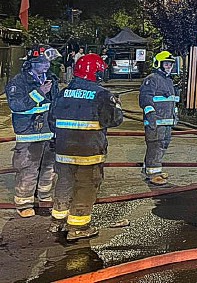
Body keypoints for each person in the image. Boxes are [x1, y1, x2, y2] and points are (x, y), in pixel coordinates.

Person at [48, 54, 123, 240]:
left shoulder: (63, 93)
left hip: (63, 150)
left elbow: (51, 120)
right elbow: (112, 120)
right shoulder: (102, 95)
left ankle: (58, 221)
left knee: (64, 182)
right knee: (86, 185)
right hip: (88, 151)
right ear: (95, 73)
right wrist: (117, 107)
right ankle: (78, 227)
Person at [5, 45, 60, 217]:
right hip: (29, 133)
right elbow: (17, 105)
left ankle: (44, 198)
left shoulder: (51, 78)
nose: (47, 65)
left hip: (49, 132)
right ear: (31, 63)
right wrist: (40, 92)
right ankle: (24, 203)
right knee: (28, 169)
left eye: (48, 62)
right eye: (42, 62)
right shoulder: (18, 82)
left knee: (49, 168)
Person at [140, 51, 179, 185]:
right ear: (159, 64)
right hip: (156, 121)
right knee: (155, 145)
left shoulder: (168, 80)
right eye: (166, 64)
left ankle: (150, 169)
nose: (169, 66)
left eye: (170, 64)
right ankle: (153, 174)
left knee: (162, 145)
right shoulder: (152, 79)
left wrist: (175, 115)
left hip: (166, 121)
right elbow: (145, 100)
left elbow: (172, 101)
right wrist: (151, 118)